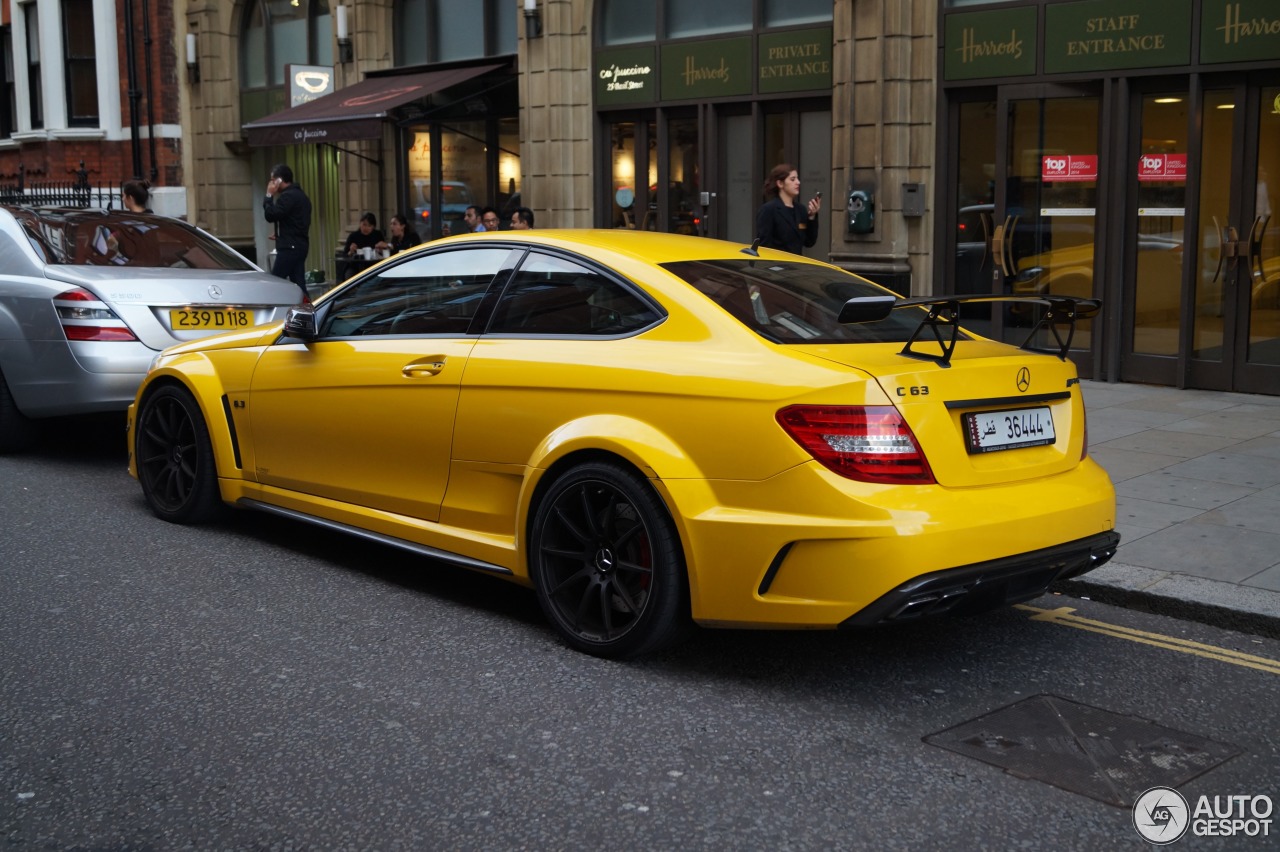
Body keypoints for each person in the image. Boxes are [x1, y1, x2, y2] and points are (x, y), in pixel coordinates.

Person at [262, 164, 312, 298]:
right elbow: (294, 221)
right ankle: (311, 313)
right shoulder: (301, 196)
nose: (271, 183)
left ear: (279, 180)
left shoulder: (288, 197)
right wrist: (280, 233)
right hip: (298, 245)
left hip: (290, 247)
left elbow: (271, 215)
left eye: (273, 180)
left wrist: (268, 195)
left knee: (275, 282)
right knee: (298, 286)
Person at [755, 163, 821, 254]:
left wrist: (812, 216)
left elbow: (809, 242)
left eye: (797, 178)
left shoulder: (801, 210)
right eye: (792, 179)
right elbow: (763, 247)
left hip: (796, 266)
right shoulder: (768, 210)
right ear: (780, 183)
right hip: (777, 266)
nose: (798, 182)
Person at [342, 212, 385, 277]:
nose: (366, 228)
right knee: (349, 275)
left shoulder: (377, 235)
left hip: (373, 266)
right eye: (364, 225)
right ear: (360, 223)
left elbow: (383, 252)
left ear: (373, 227)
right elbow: (345, 255)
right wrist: (350, 252)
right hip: (355, 266)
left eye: (369, 226)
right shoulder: (353, 236)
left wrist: (380, 250)